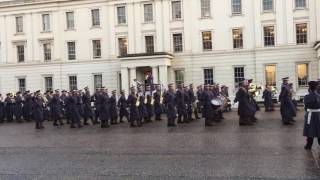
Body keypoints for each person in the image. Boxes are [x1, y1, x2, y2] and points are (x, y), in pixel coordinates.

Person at [303, 81, 320, 150]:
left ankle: (309, 145)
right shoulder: (319, 96)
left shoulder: (306, 96)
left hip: (310, 114)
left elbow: (306, 107)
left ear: (309, 87)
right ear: (316, 87)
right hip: (318, 114)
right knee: (319, 129)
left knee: (310, 130)